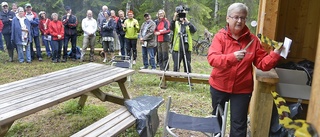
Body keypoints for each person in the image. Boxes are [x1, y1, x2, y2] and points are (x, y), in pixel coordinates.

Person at [207, 3, 282, 137]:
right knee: (216, 121)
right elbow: (213, 59)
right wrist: (232, 57)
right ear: (228, 18)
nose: (239, 21)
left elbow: (262, 64)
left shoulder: (252, 41)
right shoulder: (220, 37)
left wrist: (275, 54)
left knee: (239, 125)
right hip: (219, 86)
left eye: (243, 18)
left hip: (242, 90)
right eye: (236, 17)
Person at [170, 6, 196, 73]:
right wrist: (174, 17)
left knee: (187, 64)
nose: (181, 16)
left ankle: (188, 78)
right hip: (177, 48)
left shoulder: (188, 24)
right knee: (176, 65)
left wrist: (187, 21)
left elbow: (194, 30)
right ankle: (175, 78)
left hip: (186, 47)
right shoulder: (175, 23)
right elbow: (171, 27)